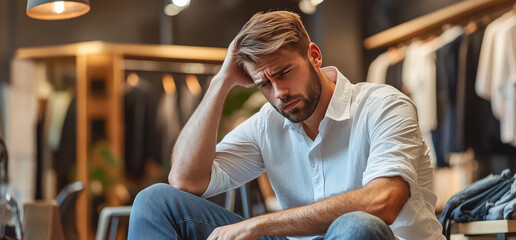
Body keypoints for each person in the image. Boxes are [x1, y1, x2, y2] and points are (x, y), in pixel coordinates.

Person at [128, 11, 445, 240]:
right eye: (263, 83)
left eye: (283, 73)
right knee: (154, 201)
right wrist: (221, 83)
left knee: (356, 226)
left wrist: (259, 224)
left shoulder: (383, 105)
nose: (278, 93)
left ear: (314, 56)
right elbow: (184, 180)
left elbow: (384, 201)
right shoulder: (267, 124)